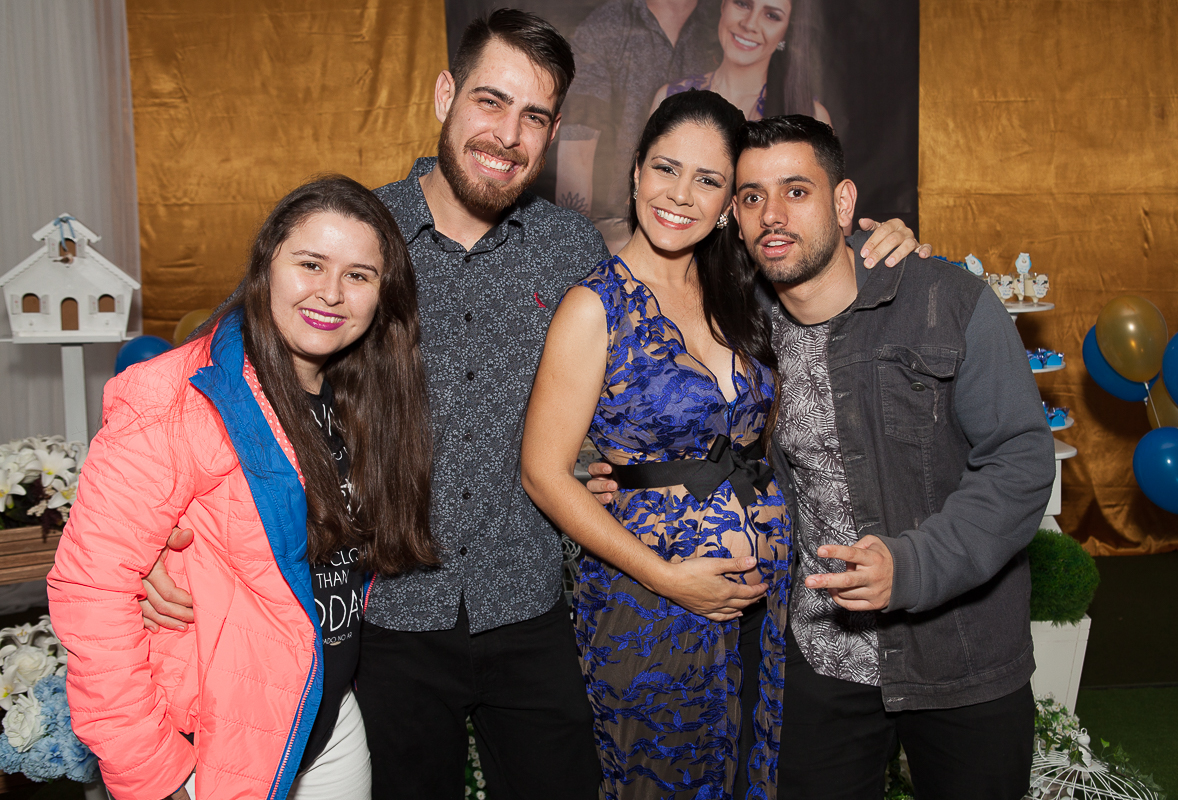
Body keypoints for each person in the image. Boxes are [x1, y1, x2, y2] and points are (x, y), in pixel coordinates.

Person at [138, 11, 925, 800]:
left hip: (531, 604)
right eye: (490, 101)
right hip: (393, 616)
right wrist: (165, 535)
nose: (507, 134)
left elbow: (631, 383)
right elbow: (214, 372)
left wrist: (883, 243)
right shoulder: (362, 234)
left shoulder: (569, 248)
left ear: (552, 135)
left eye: (534, 117)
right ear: (446, 95)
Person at [47, 175, 435, 800]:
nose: (331, 293)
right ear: (266, 263)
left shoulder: (360, 395)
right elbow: (91, 590)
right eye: (310, 264)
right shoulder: (176, 395)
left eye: (359, 276)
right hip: (222, 740)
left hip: (329, 719)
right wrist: (153, 775)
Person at [730, 115, 1055, 799]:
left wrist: (910, 566)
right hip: (821, 655)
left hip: (959, 656)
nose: (773, 215)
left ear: (844, 203)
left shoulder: (946, 301)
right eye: (753, 196)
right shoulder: (742, 326)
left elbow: (1021, 463)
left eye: (796, 190)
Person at [524, 89, 789, 799]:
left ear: (732, 199)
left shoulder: (741, 290)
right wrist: (667, 578)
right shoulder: (595, 307)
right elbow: (544, 474)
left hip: (764, 612)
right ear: (636, 172)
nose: (681, 195)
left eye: (708, 180)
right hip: (648, 608)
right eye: (666, 169)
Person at [556, 0, 722, 253]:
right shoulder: (608, 24)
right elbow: (576, 149)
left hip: (699, 244)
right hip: (610, 237)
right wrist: (579, 250)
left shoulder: (719, 28)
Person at [650, 0, 830, 125]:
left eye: (772, 16)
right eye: (743, 4)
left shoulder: (811, 115)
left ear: (786, 32)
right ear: (723, 5)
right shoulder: (668, 99)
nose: (749, 24)